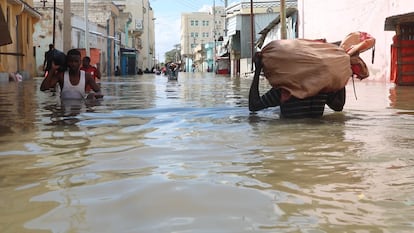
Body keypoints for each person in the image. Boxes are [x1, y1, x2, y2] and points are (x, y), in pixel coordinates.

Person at [249, 53, 346, 118]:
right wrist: (340, 71)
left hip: (290, 133)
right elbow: (338, 106)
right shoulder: (321, 88)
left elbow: (254, 106)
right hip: (316, 137)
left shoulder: (285, 89)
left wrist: (257, 70)